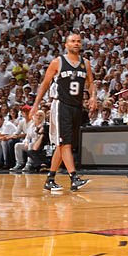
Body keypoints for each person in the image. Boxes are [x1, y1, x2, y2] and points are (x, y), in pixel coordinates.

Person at [29, 33, 97, 193]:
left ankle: (50, 179)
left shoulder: (85, 63)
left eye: (79, 41)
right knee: (65, 143)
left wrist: (93, 97)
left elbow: (91, 82)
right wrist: (36, 104)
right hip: (61, 106)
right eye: (72, 41)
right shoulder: (57, 62)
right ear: (66, 45)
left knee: (63, 145)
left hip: (76, 107)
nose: (76, 43)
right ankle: (74, 178)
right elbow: (45, 84)